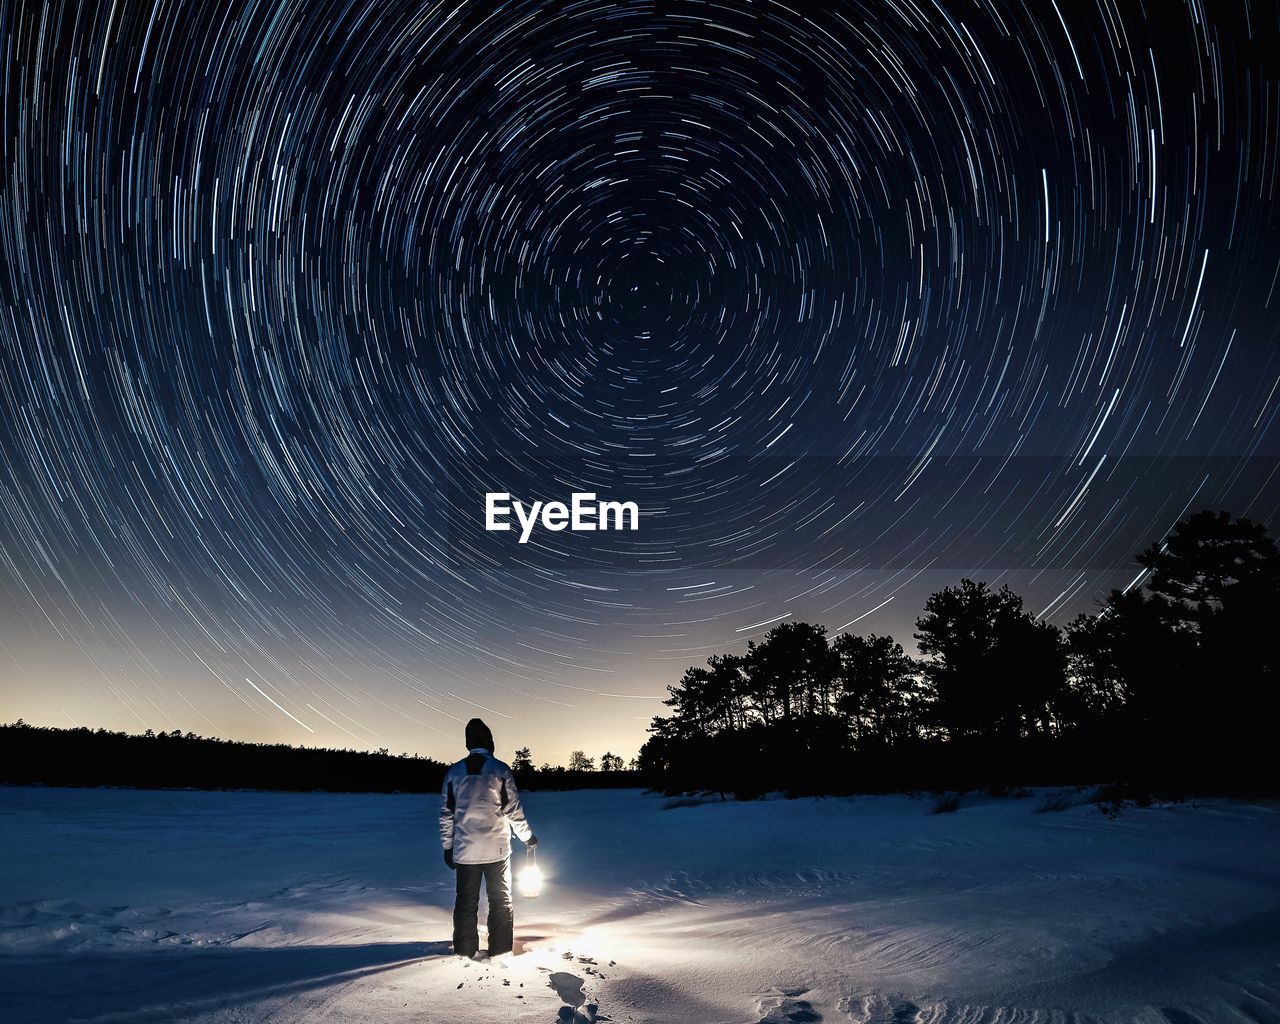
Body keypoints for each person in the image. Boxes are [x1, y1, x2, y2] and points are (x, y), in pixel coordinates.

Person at [439, 717, 537, 958]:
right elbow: (512, 810)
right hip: (497, 851)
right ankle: (501, 951)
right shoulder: (500, 770)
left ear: (467, 743)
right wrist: (527, 837)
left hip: (465, 850)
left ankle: (464, 952)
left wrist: (448, 846)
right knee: (500, 900)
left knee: (466, 902)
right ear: (490, 742)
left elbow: (446, 814)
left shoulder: (454, 773)